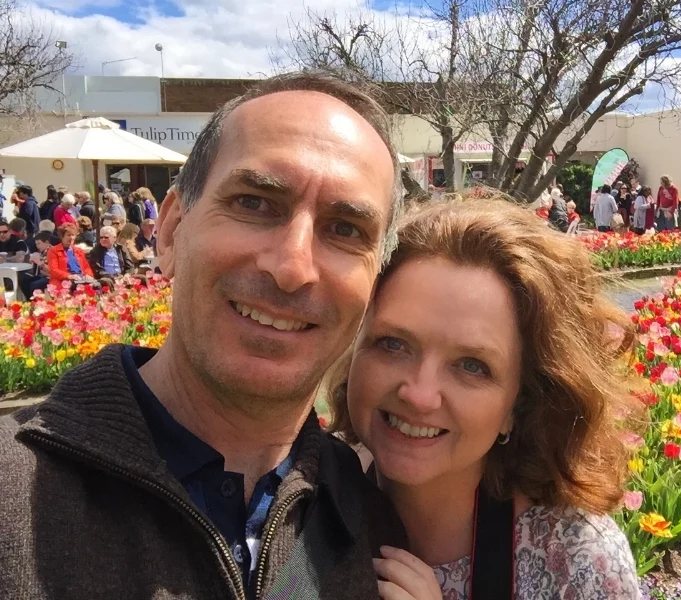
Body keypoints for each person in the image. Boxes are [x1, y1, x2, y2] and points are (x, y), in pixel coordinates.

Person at [0, 71, 420, 600]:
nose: (292, 268)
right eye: (254, 202)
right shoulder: (13, 495)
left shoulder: (375, 531)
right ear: (172, 231)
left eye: (345, 229)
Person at [329, 198, 642, 599]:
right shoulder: (306, 505)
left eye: (472, 366)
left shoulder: (575, 563)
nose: (420, 395)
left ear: (519, 401)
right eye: (393, 343)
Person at [46, 222, 94, 288]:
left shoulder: (79, 251)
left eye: (73, 235)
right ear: (62, 237)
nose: (71, 238)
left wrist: (87, 274)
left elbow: (86, 267)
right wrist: (69, 276)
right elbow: (53, 270)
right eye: (68, 235)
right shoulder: (53, 251)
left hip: (80, 279)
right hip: (64, 280)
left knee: (97, 286)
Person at [19, 231, 52, 299]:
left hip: (49, 277)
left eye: (39, 243)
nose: (37, 246)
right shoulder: (42, 252)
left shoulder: (51, 251)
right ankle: (29, 300)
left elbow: (50, 270)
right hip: (42, 276)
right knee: (23, 281)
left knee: (34, 284)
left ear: (46, 242)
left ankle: (34, 300)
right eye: (36, 244)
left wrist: (38, 262)